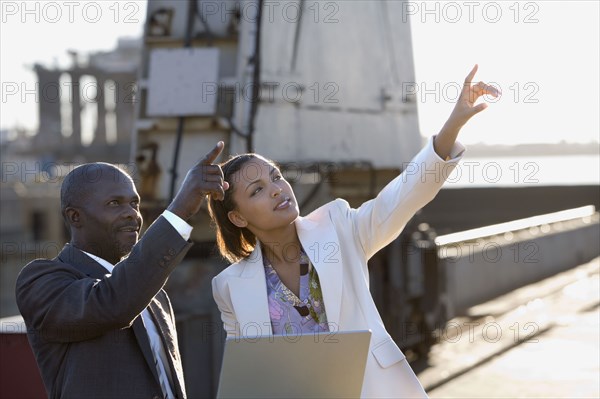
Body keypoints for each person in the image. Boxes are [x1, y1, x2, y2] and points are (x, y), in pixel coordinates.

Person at [207, 65, 499, 398]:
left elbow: (404, 194)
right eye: (257, 190)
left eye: (276, 177)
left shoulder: (338, 227)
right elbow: (245, 376)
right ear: (238, 218)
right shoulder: (229, 287)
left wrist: (455, 122)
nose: (277, 189)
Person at [15, 143, 229, 399]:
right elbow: (112, 302)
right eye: (115, 203)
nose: (132, 214)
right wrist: (180, 210)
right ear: (75, 217)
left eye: (134, 204)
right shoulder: (41, 281)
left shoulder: (153, 295)